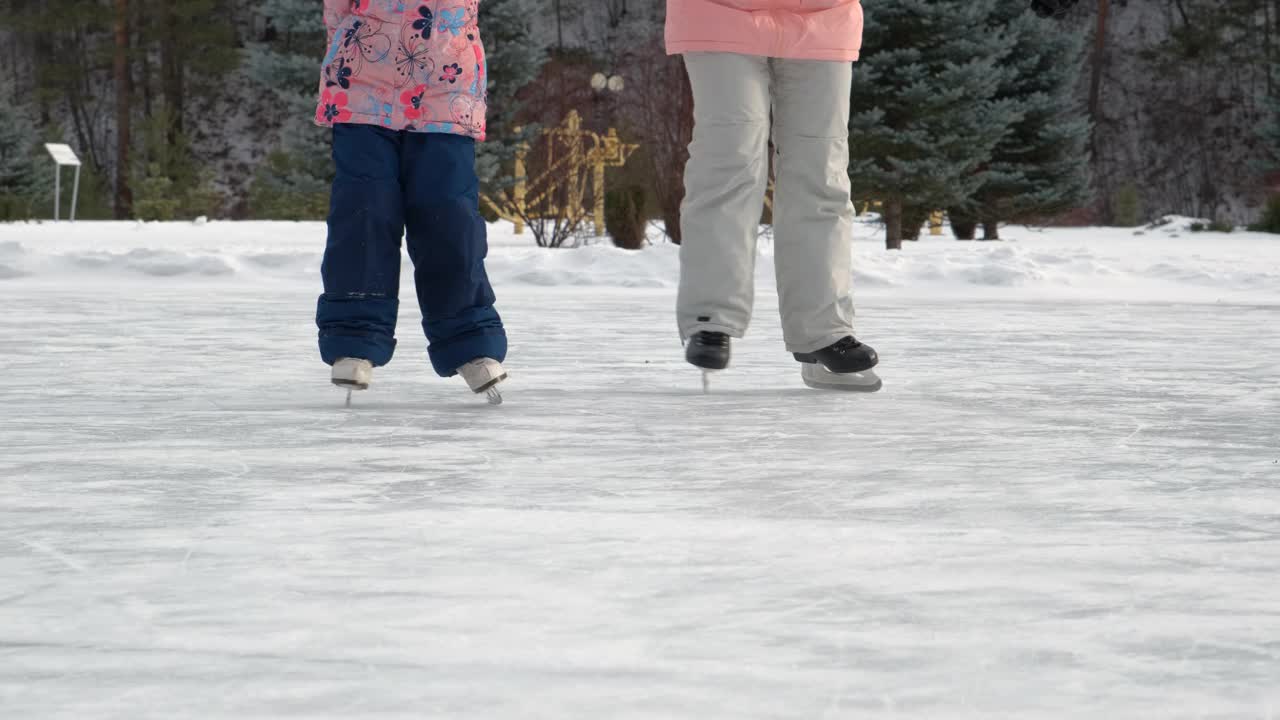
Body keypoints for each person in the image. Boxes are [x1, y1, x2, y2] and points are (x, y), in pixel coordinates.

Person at [666, 0, 881, 392]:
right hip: (720, 12)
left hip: (824, 15)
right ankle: (710, 318)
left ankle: (824, 333)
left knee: (822, 174)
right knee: (728, 164)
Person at [314, 0, 507, 403]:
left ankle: (470, 341)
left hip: (448, 89)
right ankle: (355, 337)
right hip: (363, 84)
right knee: (364, 209)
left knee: (449, 215)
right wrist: (344, 52)